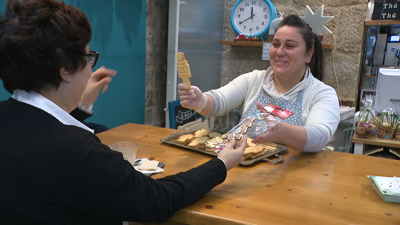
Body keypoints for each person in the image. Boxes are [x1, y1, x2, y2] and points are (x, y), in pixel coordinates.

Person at [0, 0, 246, 224]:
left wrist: (80, 106)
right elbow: (156, 201)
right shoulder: (78, 152)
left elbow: (39, 133)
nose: (89, 70)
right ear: (65, 69)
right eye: (88, 57)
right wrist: (221, 164)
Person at [178, 14, 340, 152]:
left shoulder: (322, 94)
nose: (280, 52)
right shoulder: (253, 80)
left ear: (308, 55)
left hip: (293, 180)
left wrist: (281, 131)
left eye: (289, 46)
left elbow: (319, 137)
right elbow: (220, 101)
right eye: (276, 44)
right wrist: (201, 101)